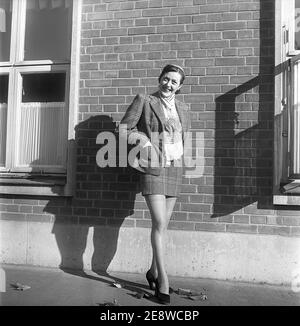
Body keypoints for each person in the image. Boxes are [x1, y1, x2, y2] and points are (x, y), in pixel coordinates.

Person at [118, 64, 190, 304]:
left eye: (174, 82)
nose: (168, 84)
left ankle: (152, 271)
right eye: (166, 79)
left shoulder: (183, 108)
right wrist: (144, 142)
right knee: (159, 222)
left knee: (163, 226)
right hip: (152, 169)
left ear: (179, 87)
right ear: (160, 79)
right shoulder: (145, 100)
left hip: (174, 168)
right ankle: (163, 281)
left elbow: (182, 137)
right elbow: (124, 129)